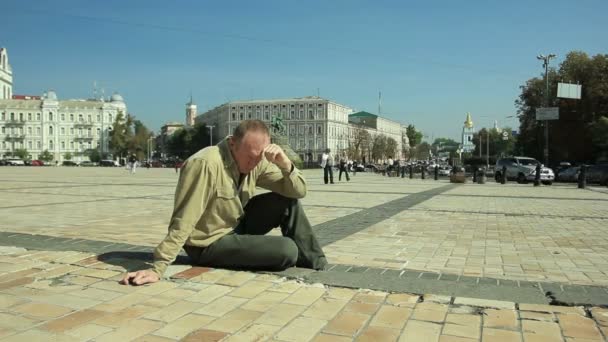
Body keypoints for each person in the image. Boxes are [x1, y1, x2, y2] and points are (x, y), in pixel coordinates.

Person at [121, 120, 327, 286]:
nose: (254, 163)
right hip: (208, 243)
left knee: (286, 202)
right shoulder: (205, 164)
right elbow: (184, 217)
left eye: (259, 158)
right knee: (287, 250)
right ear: (232, 144)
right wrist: (158, 268)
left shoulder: (257, 159)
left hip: (235, 225)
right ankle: (293, 254)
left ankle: (318, 265)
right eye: (250, 157)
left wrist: (285, 164)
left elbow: (298, 191)